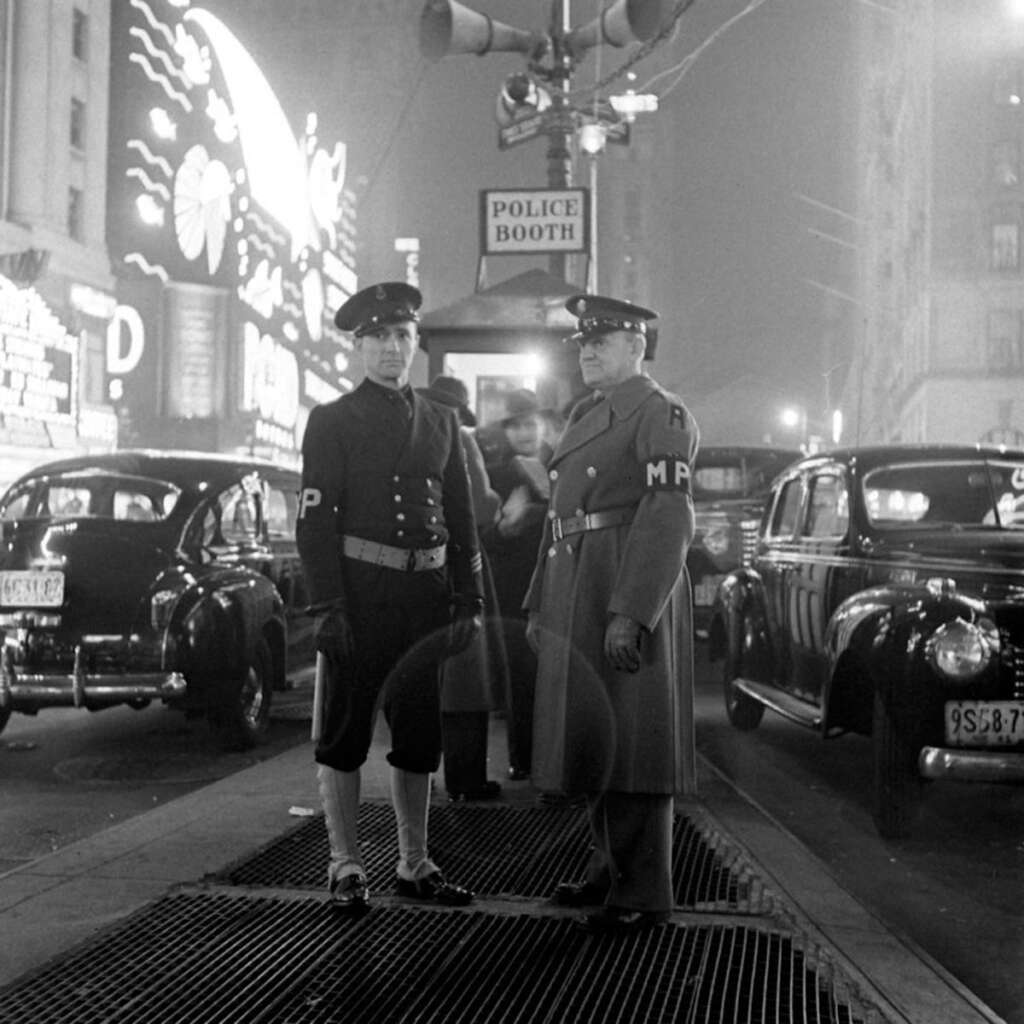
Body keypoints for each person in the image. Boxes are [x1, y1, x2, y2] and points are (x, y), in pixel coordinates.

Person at [296, 281, 484, 914]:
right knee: (346, 735)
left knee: (419, 733)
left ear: (415, 344)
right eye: (377, 337)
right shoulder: (332, 421)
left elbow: (461, 516)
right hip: (363, 595)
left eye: (401, 336)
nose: (390, 349)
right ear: (358, 347)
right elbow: (315, 523)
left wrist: (469, 596)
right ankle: (345, 864)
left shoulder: (441, 419)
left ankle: (414, 862)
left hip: (424, 598)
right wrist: (327, 606)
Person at [524, 293, 699, 934]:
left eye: (604, 340)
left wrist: (632, 609)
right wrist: (543, 602)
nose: (589, 350)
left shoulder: (662, 414)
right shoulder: (588, 413)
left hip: (623, 577)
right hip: (581, 577)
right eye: (583, 342)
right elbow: (559, 517)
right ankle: (608, 868)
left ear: (638, 346)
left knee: (635, 741)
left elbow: (668, 513)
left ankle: (645, 890)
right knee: (597, 735)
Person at [417, 374, 509, 802]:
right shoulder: (460, 437)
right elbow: (482, 506)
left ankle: (424, 778)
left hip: (422, 569)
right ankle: (467, 778)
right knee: (468, 676)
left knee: (433, 680)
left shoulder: (412, 431)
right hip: (464, 562)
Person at [482, 388, 551, 784]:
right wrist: (505, 528)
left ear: (543, 425)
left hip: (557, 583)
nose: (525, 431)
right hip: (513, 594)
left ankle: (558, 757)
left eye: (531, 423)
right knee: (521, 678)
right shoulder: (497, 475)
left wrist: (535, 512)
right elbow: (483, 537)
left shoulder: (563, 465)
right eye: (517, 425)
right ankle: (523, 758)